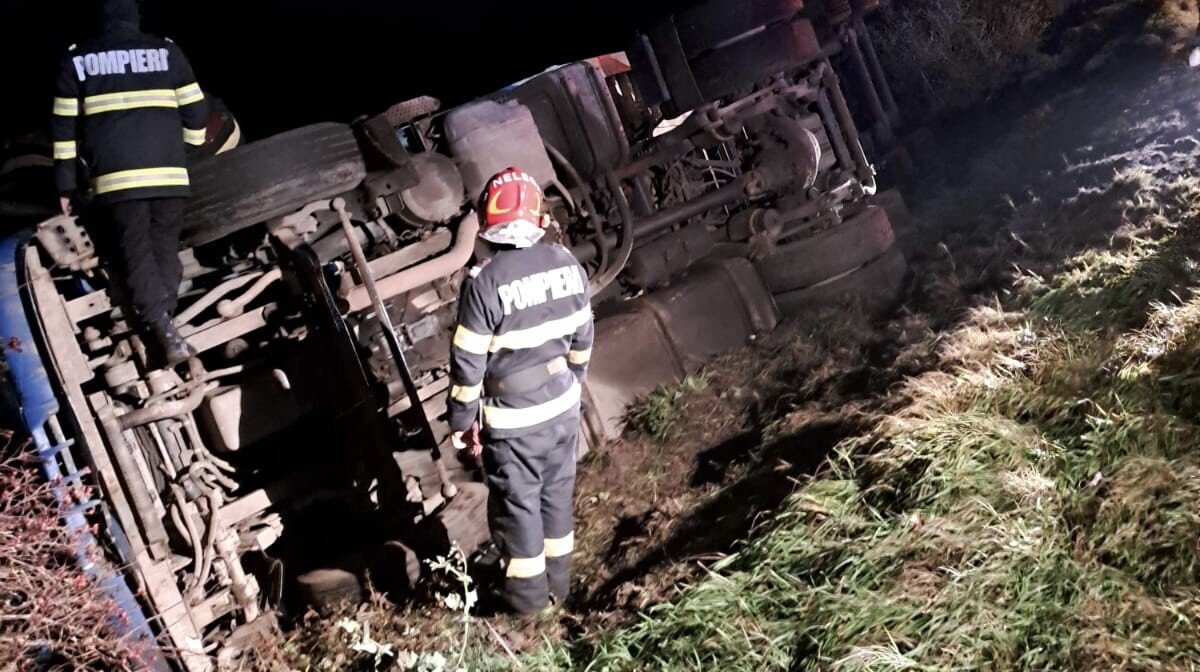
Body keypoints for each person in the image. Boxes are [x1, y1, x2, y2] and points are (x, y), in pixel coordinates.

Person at [447, 167, 594, 614]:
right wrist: (571, 385)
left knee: (519, 508)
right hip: (563, 407)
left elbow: (468, 362)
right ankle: (559, 590)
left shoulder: (484, 282)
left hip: (515, 422)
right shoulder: (568, 264)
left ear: (487, 220)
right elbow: (583, 338)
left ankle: (529, 610)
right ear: (538, 216)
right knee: (556, 498)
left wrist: (462, 422)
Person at [51, 0, 209, 367]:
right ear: (135, 18)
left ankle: (162, 329)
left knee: (137, 254)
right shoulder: (167, 52)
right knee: (164, 252)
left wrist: (65, 186)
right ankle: (166, 328)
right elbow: (198, 112)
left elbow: (63, 132)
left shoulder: (76, 60)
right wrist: (186, 151)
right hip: (169, 175)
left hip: (118, 182)